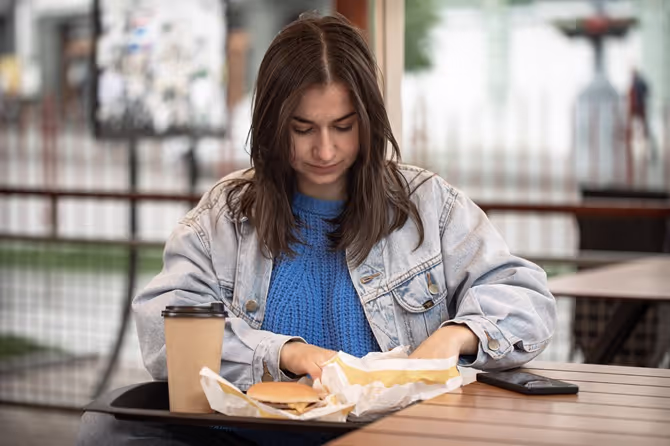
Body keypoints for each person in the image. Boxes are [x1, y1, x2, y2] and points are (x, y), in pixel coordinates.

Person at [77, 13, 556, 446]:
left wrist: (455, 337)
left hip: (389, 439)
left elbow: (526, 298)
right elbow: (163, 330)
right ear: (271, 126)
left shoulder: (428, 206)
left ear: (369, 122)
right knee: (105, 434)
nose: (325, 150)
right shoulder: (224, 216)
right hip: (241, 441)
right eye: (303, 129)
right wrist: (285, 353)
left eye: (343, 126)